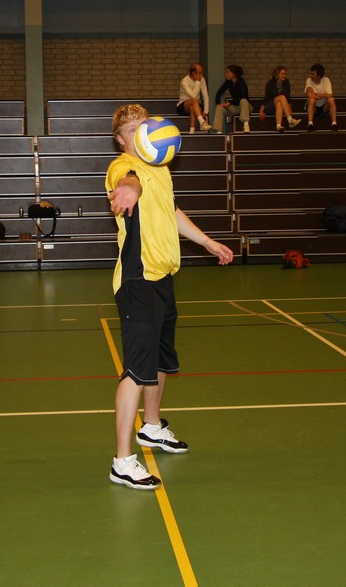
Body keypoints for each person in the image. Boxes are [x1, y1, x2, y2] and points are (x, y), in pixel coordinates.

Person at [105, 104, 235, 490]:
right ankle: (122, 461)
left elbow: (172, 212)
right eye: (131, 130)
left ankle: (152, 426)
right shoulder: (122, 167)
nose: (139, 134)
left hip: (163, 278)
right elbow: (129, 181)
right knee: (136, 370)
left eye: (143, 126)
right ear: (120, 140)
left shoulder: (160, 168)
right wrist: (129, 188)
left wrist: (208, 243)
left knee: (161, 361)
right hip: (138, 280)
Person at [211, 64, 253, 133]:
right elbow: (219, 93)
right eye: (226, 72)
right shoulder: (228, 82)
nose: (226, 74)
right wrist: (218, 104)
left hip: (246, 107)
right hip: (236, 107)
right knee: (219, 108)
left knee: (243, 100)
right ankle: (218, 130)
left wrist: (230, 103)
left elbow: (243, 96)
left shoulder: (241, 81)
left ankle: (246, 125)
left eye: (228, 72)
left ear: (234, 74)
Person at [258, 65, 300, 132]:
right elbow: (266, 98)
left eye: (285, 74)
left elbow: (288, 97)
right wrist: (261, 111)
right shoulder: (270, 83)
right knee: (282, 97)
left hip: (280, 106)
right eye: (282, 74)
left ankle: (278, 126)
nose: (284, 75)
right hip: (270, 105)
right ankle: (290, 120)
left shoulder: (286, 82)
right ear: (277, 74)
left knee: (279, 103)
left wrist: (290, 109)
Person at [177, 62, 211, 133]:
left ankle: (192, 132)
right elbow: (193, 96)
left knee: (193, 106)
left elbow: (205, 95)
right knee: (193, 100)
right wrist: (197, 82)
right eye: (200, 73)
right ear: (193, 73)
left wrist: (205, 111)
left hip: (196, 105)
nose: (201, 75)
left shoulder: (202, 79)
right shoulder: (184, 81)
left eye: (202, 73)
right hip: (183, 106)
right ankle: (202, 122)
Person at [304, 63, 338, 132]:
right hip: (314, 107)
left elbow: (329, 95)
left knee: (331, 99)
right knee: (312, 100)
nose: (311, 76)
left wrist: (317, 94)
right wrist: (322, 95)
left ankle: (334, 124)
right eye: (310, 73)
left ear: (319, 75)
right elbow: (310, 95)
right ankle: (310, 124)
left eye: (313, 74)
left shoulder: (326, 80)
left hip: (324, 107)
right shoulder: (309, 80)